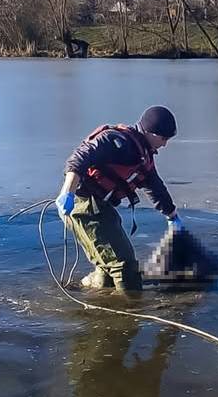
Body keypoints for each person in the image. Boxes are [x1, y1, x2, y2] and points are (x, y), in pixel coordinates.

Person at [55, 105, 182, 292]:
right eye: (163, 138)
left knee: (108, 269)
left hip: (101, 206)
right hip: (83, 205)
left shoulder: (142, 155)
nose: (164, 144)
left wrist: (172, 217)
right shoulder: (116, 141)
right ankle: (130, 312)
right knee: (124, 264)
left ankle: (91, 296)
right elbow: (78, 159)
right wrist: (67, 194)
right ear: (150, 132)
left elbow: (156, 188)